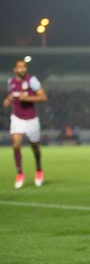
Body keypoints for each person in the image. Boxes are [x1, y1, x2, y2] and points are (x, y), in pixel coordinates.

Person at [3, 59, 48, 189]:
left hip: (31, 118)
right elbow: (12, 96)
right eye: (19, 67)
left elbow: (43, 97)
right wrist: (8, 100)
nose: (22, 69)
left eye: (24, 67)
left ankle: (39, 169)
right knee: (16, 144)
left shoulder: (32, 80)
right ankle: (20, 173)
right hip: (17, 117)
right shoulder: (10, 82)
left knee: (34, 146)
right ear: (15, 69)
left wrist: (27, 98)